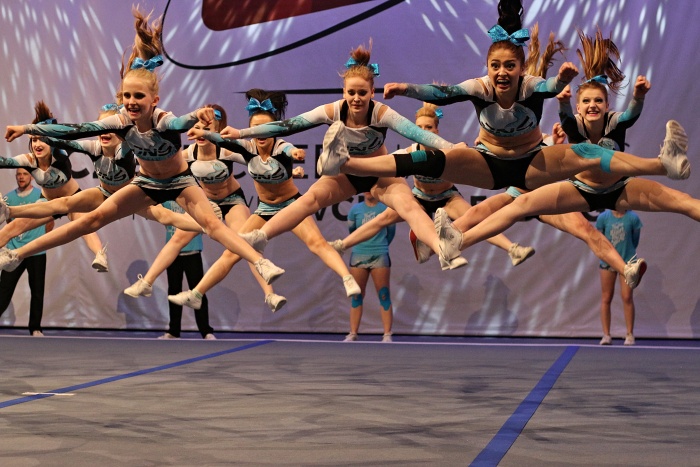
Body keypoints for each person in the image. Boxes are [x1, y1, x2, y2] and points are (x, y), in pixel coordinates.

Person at [314, 0, 690, 255]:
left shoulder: (530, 86)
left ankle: (663, 164)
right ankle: (345, 162)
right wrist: (407, 89)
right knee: (429, 158)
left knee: (588, 153)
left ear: (521, 68)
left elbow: (549, 87)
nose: (502, 72)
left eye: (510, 66)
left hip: (532, 164)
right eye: (495, 66)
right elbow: (444, 93)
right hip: (489, 164)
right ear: (488, 67)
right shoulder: (480, 87)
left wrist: (561, 81)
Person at [0, 6, 284, 286]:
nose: (131, 102)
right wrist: (27, 128)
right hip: (147, 183)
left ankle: (261, 262)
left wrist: (198, 115)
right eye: (127, 96)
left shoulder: (164, 121)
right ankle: (16, 254)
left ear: (154, 100)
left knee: (211, 226)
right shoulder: (121, 122)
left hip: (179, 182)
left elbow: (182, 122)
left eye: (138, 96)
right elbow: (76, 130)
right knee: (92, 219)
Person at [433, 26, 699, 280]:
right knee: (515, 205)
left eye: (598, 101)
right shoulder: (572, 124)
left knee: (683, 201)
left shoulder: (615, 121)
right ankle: (458, 241)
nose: (592, 105)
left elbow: (631, 114)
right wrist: (561, 100)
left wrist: (638, 97)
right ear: (578, 107)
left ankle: (628, 264)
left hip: (620, 188)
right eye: (586, 101)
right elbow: (561, 116)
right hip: (579, 190)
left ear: (608, 105)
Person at [204, 41, 468, 270]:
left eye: (362, 93)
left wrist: (450, 146)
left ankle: (443, 249)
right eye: (351, 93)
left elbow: (417, 134)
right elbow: (287, 126)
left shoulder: (381, 113)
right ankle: (261, 236)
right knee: (311, 199)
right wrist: (242, 133)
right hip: (347, 175)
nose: (356, 98)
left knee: (408, 206)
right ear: (343, 92)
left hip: (379, 174)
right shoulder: (332, 111)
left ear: (372, 92)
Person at [173, 90, 362, 310]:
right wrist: (200, 131)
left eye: (266, 128)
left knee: (316, 243)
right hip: (264, 209)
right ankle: (196, 294)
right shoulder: (247, 148)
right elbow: (219, 139)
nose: (261, 133)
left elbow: (291, 150)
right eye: (256, 128)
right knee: (232, 252)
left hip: (291, 206)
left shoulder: (280, 147)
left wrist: (296, 154)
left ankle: (347, 279)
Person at [124, 103, 289, 312]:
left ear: (217, 131)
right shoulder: (188, 154)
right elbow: (158, 166)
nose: (201, 133)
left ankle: (270, 294)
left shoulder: (226, 151)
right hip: (208, 203)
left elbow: (259, 161)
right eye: (198, 128)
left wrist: (288, 169)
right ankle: (147, 282)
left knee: (243, 243)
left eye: (207, 129)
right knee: (177, 238)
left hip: (232, 201)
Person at [330, 102, 535, 267]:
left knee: (475, 218)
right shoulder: (409, 153)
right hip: (419, 197)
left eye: (428, 127)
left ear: (436, 129)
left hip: (446, 198)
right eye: (419, 128)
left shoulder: (448, 151)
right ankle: (341, 245)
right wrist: (349, 164)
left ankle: (512, 249)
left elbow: (476, 159)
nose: (423, 131)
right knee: (382, 218)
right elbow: (380, 166)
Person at [0, 101, 108, 272]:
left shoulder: (60, 152)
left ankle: (100, 255)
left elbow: (63, 132)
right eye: (34, 140)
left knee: (85, 226)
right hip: (48, 204)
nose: (37, 144)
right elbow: (4, 162)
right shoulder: (29, 160)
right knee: (12, 228)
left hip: (72, 200)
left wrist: (34, 129)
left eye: (43, 139)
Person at [0, 169, 54, 336]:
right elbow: (9, 222)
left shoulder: (41, 196)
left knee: (37, 291)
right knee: (3, 290)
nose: (21, 177)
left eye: (24, 174)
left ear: (31, 176)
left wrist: (39, 239)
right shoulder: (8, 198)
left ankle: (35, 328)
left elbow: (50, 220)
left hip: (36, 252)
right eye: (19, 174)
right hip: (13, 252)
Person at [157, 200, 215, 340]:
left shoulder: (192, 200)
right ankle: (174, 331)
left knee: (198, 291)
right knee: (173, 291)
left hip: (193, 251)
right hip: (172, 253)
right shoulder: (166, 201)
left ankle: (206, 331)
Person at [343, 192, 395, 342]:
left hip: (380, 255)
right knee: (356, 295)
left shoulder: (385, 209)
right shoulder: (355, 210)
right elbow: (353, 233)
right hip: (359, 255)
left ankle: (387, 334)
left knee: (384, 294)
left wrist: (380, 245)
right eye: (365, 188)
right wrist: (362, 245)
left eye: (370, 187)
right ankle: (353, 333)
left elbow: (390, 233)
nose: (367, 191)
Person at [596, 209, 641, 346]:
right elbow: (599, 239)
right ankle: (606, 334)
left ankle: (629, 334)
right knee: (606, 297)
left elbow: (635, 241)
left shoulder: (633, 218)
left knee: (627, 297)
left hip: (627, 262)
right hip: (607, 262)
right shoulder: (603, 217)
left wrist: (626, 254)